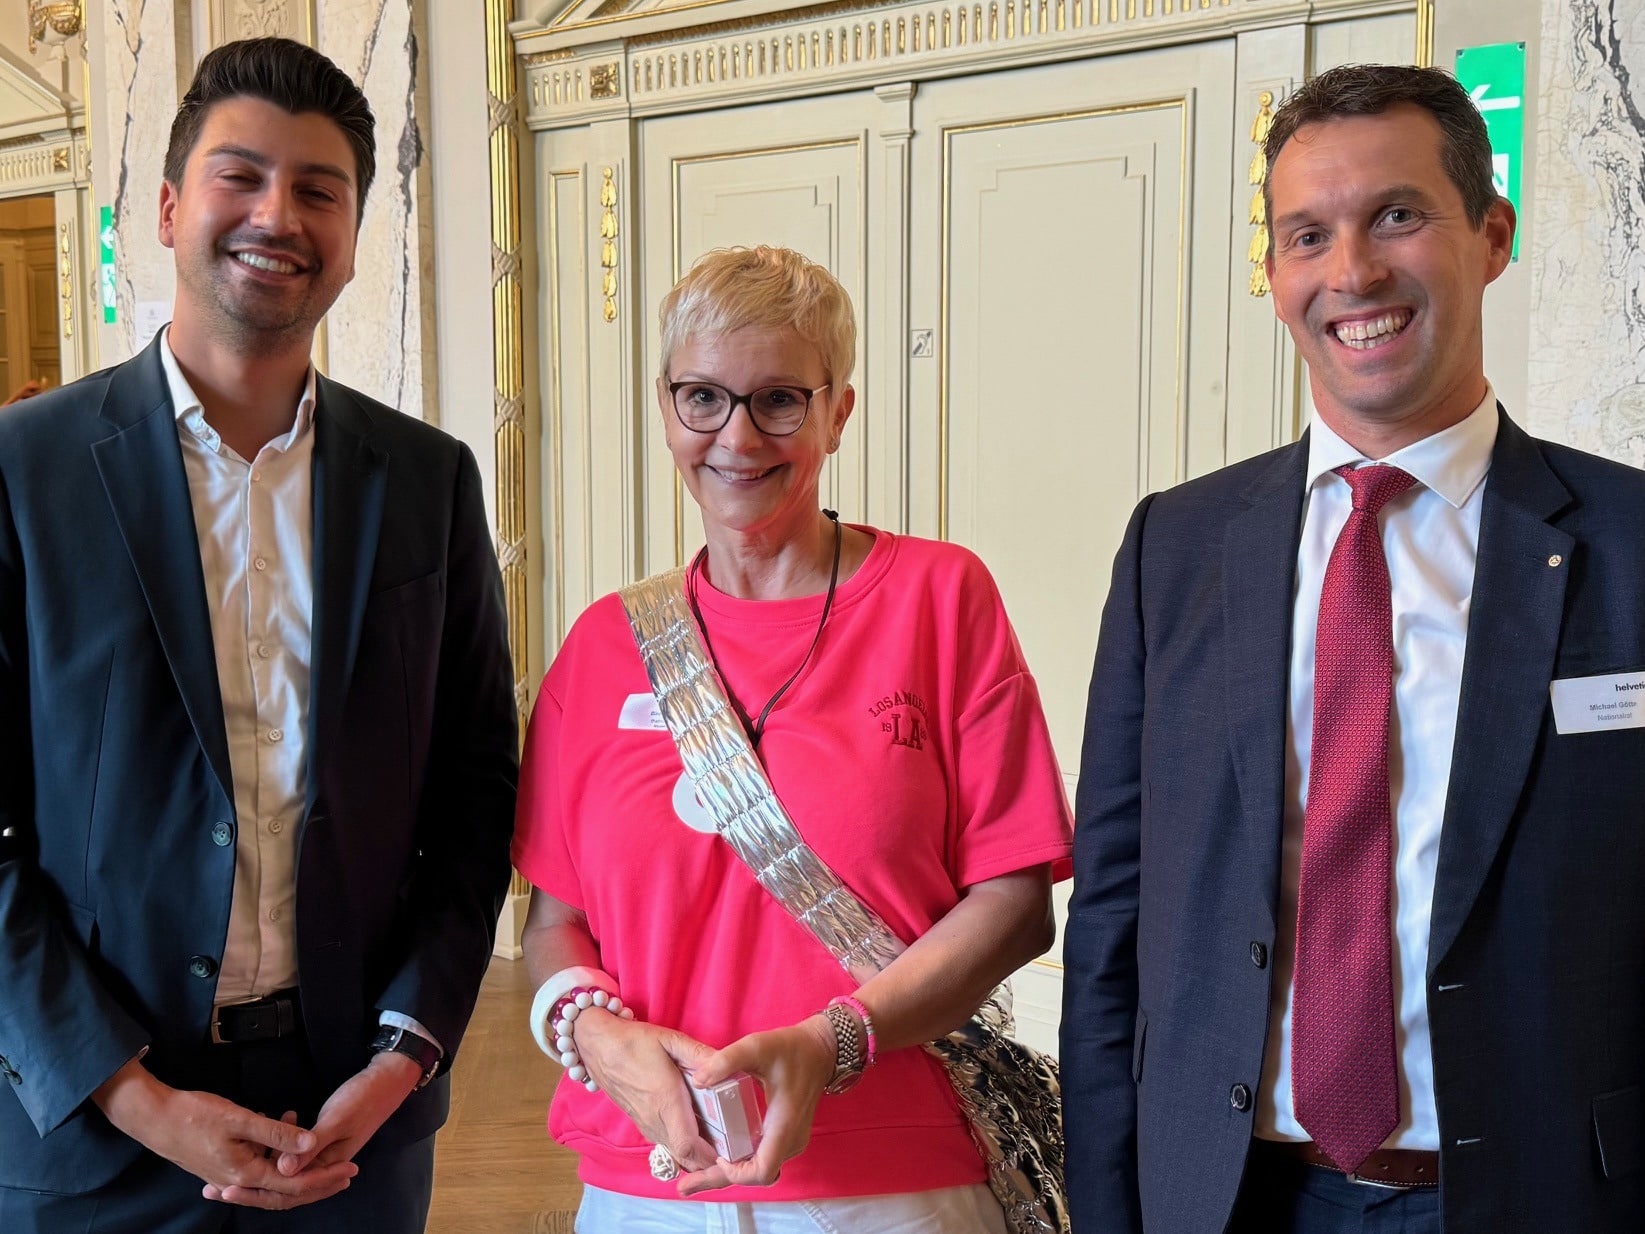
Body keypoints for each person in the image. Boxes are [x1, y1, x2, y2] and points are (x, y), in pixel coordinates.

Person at [1062, 62, 1645, 1234]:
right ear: (1274, 276)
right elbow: (1113, 923)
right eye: (1306, 235)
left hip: (1547, 1198)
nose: (1352, 272)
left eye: (1395, 216)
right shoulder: (1173, 549)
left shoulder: (1630, 543)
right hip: (1232, 1196)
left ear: (1491, 234)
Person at [0, 37, 517, 1233]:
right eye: (241, 176)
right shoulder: (24, 474)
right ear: (171, 206)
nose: (276, 214)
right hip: (95, 1128)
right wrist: (132, 1095)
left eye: (318, 189)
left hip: (352, 1124)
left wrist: (408, 1050)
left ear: (351, 235)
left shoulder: (427, 480)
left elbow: (475, 792)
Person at [513, 244, 1072, 1232]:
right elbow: (554, 920)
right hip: (645, 1180)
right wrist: (595, 1035)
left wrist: (837, 1040)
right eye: (703, 398)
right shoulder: (605, 645)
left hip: (892, 1180)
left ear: (836, 411)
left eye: (778, 399)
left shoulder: (938, 599)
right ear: (665, 404)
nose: (737, 436)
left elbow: (1016, 902)